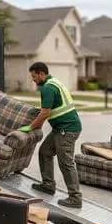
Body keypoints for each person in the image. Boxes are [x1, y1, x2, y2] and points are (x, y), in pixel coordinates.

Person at [18, 62, 83, 208]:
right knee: (45, 152)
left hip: (67, 130)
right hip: (61, 129)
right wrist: (37, 126)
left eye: (34, 76)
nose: (33, 80)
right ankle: (48, 185)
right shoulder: (54, 82)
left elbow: (45, 112)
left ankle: (75, 197)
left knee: (66, 163)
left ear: (41, 74)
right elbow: (48, 112)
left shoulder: (47, 88)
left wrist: (30, 127)